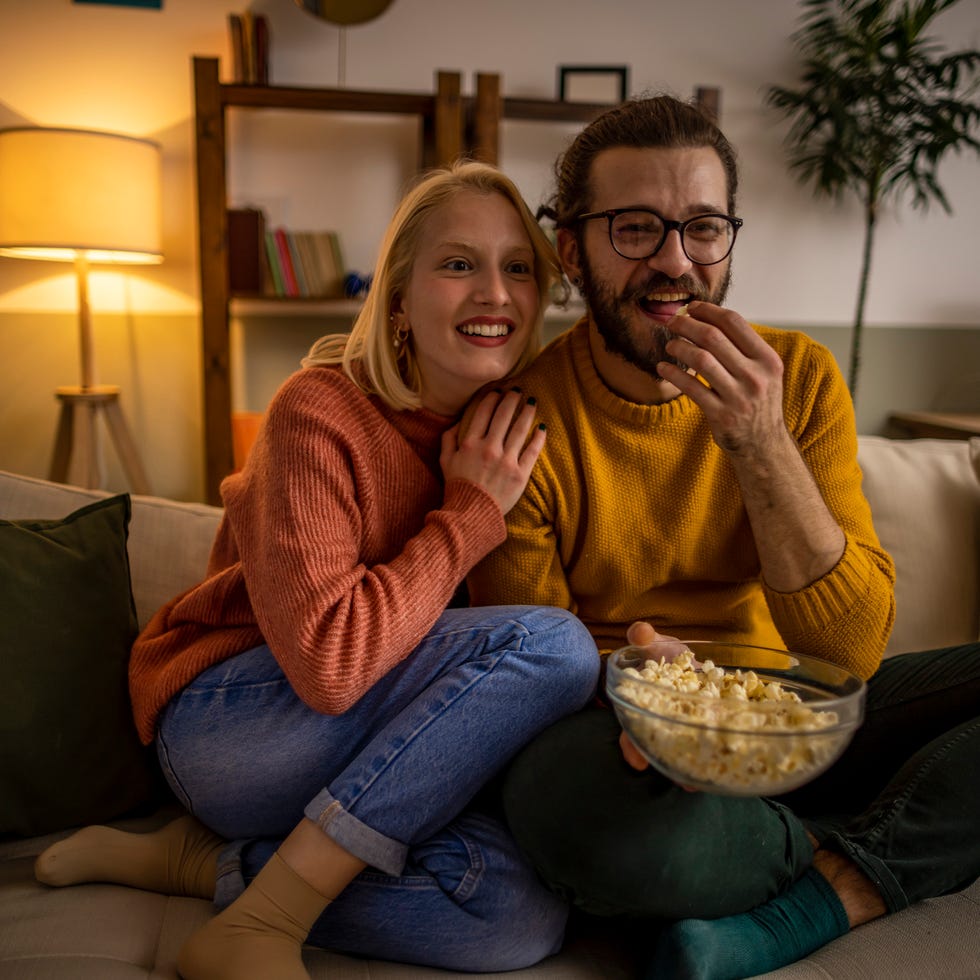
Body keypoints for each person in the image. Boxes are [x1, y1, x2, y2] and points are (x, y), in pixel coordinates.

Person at [33, 160, 601, 980]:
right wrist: (470, 512)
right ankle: (266, 918)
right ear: (398, 298)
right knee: (553, 646)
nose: (495, 293)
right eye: (457, 264)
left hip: (372, 758)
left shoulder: (514, 434)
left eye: (518, 268)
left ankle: (203, 869)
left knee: (511, 915)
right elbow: (331, 666)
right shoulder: (319, 410)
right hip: (236, 724)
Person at [466, 95, 980, 979]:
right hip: (624, 744)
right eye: (635, 229)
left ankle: (835, 884)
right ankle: (886, 834)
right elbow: (522, 676)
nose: (674, 263)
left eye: (703, 228)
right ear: (570, 249)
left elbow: (849, 651)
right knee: (569, 818)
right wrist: (652, 692)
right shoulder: (521, 422)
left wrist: (759, 442)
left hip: (798, 722)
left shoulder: (802, 382)